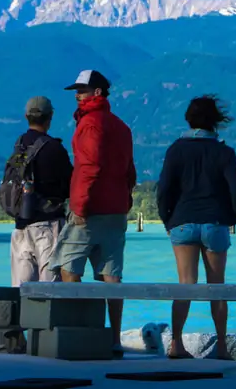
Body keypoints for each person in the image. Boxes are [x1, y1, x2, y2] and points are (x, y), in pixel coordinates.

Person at [50, 69, 137, 356]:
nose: (77, 95)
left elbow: (89, 167)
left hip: (89, 210)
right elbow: (129, 170)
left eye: (83, 90)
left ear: (97, 93)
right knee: (112, 275)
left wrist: (79, 206)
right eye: (76, 90)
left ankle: (76, 334)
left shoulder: (90, 124)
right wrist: (126, 199)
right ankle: (114, 339)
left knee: (69, 267)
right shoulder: (121, 126)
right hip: (116, 210)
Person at [156, 94, 236, 360]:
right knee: (217, 286)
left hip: (182, 222)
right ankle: (221, 346)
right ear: (215, 122)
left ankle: (176, 344)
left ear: (188, 119)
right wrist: (233, 218)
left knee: (185, 284)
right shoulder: (224, 152)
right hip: (215, 222)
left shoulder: (176, 149)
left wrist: (167, 220)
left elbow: (164, 190)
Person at [8, 96, 73, 286]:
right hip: (48, 224)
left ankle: (22, 317)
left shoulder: (19, 146)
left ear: (26, 116)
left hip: (21, 225)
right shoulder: (54, 148)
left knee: (21, 288)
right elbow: (70, 184)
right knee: (50, 289)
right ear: (49, 117)